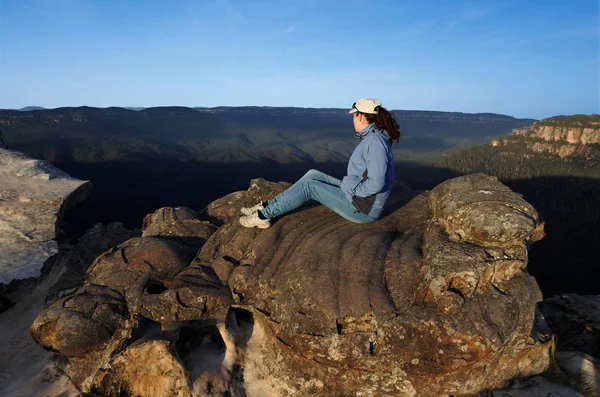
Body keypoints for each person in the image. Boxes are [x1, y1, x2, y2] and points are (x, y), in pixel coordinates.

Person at [239, 98, 400, 229]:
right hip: (356, 195)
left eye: (353, 115)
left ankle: (263, 216)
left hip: (362, 209)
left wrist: (352, 191)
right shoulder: (373, 138)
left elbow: (377, 182)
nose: (352, 119)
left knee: (310, 186)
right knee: (313, 174)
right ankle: (266, 205)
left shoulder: (375, 143)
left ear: (360, 116)